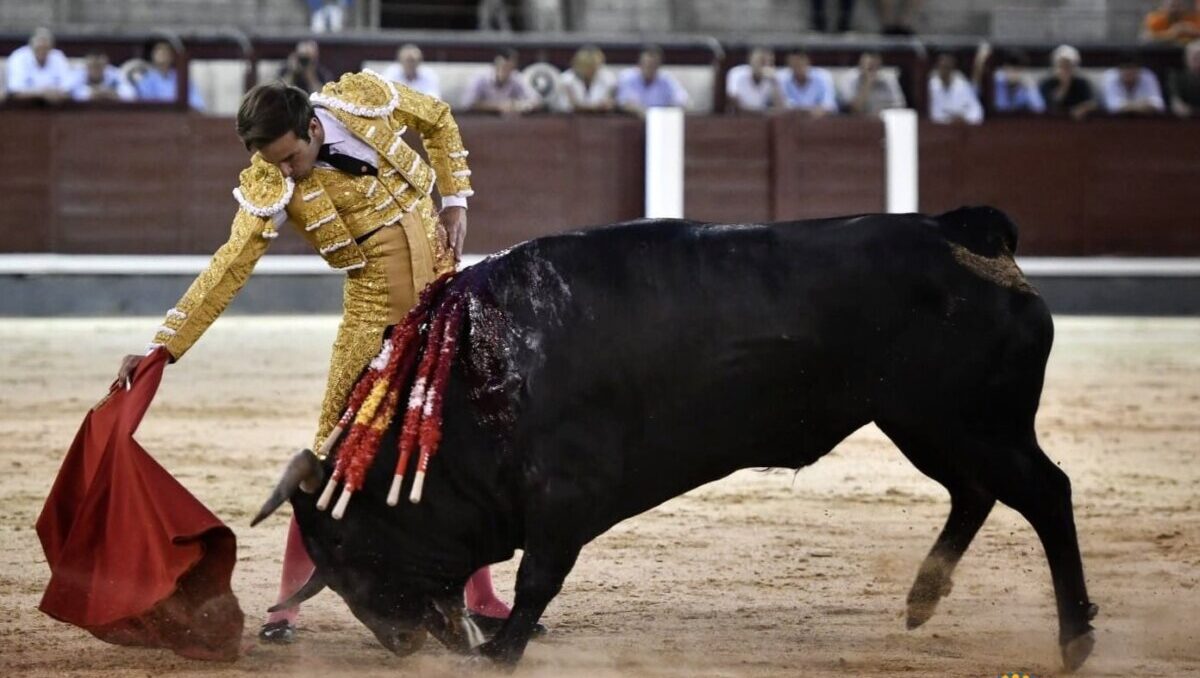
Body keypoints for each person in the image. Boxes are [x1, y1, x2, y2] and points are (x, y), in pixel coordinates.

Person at [112, 72, 514, 644]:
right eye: (271, 163)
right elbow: (230, 265)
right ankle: (285, 607)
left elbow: (440, 119)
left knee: (455, 447)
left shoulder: (361, 104)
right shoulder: (271, 184)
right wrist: (163, 345)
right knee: (327, 461)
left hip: (443, 309)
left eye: (290, 157)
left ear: (311, 126)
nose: (284, 172)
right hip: (373, 324)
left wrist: (454, 200)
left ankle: (484, 598)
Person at [616, 45, 690, 116]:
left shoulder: (666, 80)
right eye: (646, 64)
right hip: (632, 122)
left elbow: (684, 101)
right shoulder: (627, 77)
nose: (649, 68)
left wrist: (667, 110)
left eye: (653, 64)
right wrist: (643, 112)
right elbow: (623, 103)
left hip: (660, 122)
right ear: (639, 63)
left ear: (659, 65)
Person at [5, 27, 73, 104]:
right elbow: (15, 92)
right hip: (24, 107)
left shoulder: (58, 57)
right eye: (39, 48)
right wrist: (42, 93)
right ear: (31, 45)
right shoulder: (18, 57)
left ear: (51, 47)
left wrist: (50, 93)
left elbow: (68, 89)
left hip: (55, 106)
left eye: (46, 48)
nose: (42, 51)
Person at [462, 49, 540, 114]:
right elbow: (467, 104)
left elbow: (537, 101)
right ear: (496, 65)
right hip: (482, 121)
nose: (507, 71)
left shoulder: (516, 77)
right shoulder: (480, 78)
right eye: (504, 67)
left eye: (510, 68)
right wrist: (497, 106)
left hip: (507, 124)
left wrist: (518, 105)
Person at [134, 40, 205, 111]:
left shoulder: (181, 78)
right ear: (152, 55)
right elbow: (145, 106)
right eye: (158, 50)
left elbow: (197, 105)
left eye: (165, 51)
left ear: (171, 56)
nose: (161, 53)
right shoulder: (146, 79)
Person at [973, 45, 1044, 114]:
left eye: (1017, 68)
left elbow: (1039, 110)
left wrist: (1031, 87)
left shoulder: (1026, 85)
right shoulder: (996, 79)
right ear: (1004, 67)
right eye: (1010, 67)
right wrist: (979, 66)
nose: (1013, 72)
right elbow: (975, 95)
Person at [1037, 44, 1098, 120]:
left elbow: (1093, 103)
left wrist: (1082, 108)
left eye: (1068, 66)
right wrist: (1064, 85)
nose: (1065, 69)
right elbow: (1050, 105)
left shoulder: (1082, 83)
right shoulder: (1047, 83)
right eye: (1061, 65)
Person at [840, 51, 906, 116]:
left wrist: (882, 112)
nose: (874, 68)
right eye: (870, 66)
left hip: (884, 119)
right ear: (860, 63)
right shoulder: (849, 78)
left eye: (876, 65)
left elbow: (900, 107)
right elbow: (854, 110)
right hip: (858, 121)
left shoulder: (889, 79)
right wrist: (868, 83)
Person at [777, 50, 838, 116]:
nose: (797, 68)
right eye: (793, 65)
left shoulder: (823, 77)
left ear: (807, 62)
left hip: (819, 120)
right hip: (792, 120)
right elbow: (782, 108)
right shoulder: (782, 78)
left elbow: (829, 106)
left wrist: (810, 112)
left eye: (799, 64)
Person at [558, 45, 616, 113]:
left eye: (595, 66)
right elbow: (570, 107)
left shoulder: (608, 78)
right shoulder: (565, 79)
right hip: (570, 120)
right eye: (588, 66)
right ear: (578, 65)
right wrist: (596, 107)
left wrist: (584, 107)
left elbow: (609, 104)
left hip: (599, 119)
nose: (592, 69)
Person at [928, 53, 983, 124]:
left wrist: (964, 118)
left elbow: (977, 112)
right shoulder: (933, 85)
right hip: (942, 129)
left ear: (952, 69)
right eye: (941, 67)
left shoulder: (962, 85)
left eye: (947, 67)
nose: (944, 71)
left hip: (964, 128)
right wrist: (949, 120)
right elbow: (934, 115)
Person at [725, 47, 783, 113]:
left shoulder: (771, 79)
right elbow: (734, 103)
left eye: (769, 62)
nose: (765, 66)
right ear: (750, 59)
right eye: (761, 61)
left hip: (760, 119)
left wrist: (774, 82)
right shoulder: (737, 73)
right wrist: (764, 112)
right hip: (738, 119)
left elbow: (781, 109)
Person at [1101, 56, 1166, 115]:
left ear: (1139, 69)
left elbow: (1159, 105)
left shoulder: (1147, 76)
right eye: (1125, 68)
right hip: (1114, 121)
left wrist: (1128, 107)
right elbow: (1113, 107)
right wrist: (1142, 105)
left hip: (1143, 120)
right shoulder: (1110, 77)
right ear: (1119, 69)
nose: (1129, 72)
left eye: (1132, 68)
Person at [71, 51, 135, 102]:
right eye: (92, 66)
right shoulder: (78, 74)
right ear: (86, 66)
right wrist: (90, 94)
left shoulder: (115, 74)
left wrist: (114, 94)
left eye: (99, 66)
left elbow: (131, 94)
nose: (95, 69)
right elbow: (71, 93)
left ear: (105, 66)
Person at [1168, 39, 1200, 117]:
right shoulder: (1176, 77)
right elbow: (1176, 103)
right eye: (1195, 57)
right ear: (1186, 59)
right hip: (1185, 121)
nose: (1198, 61)